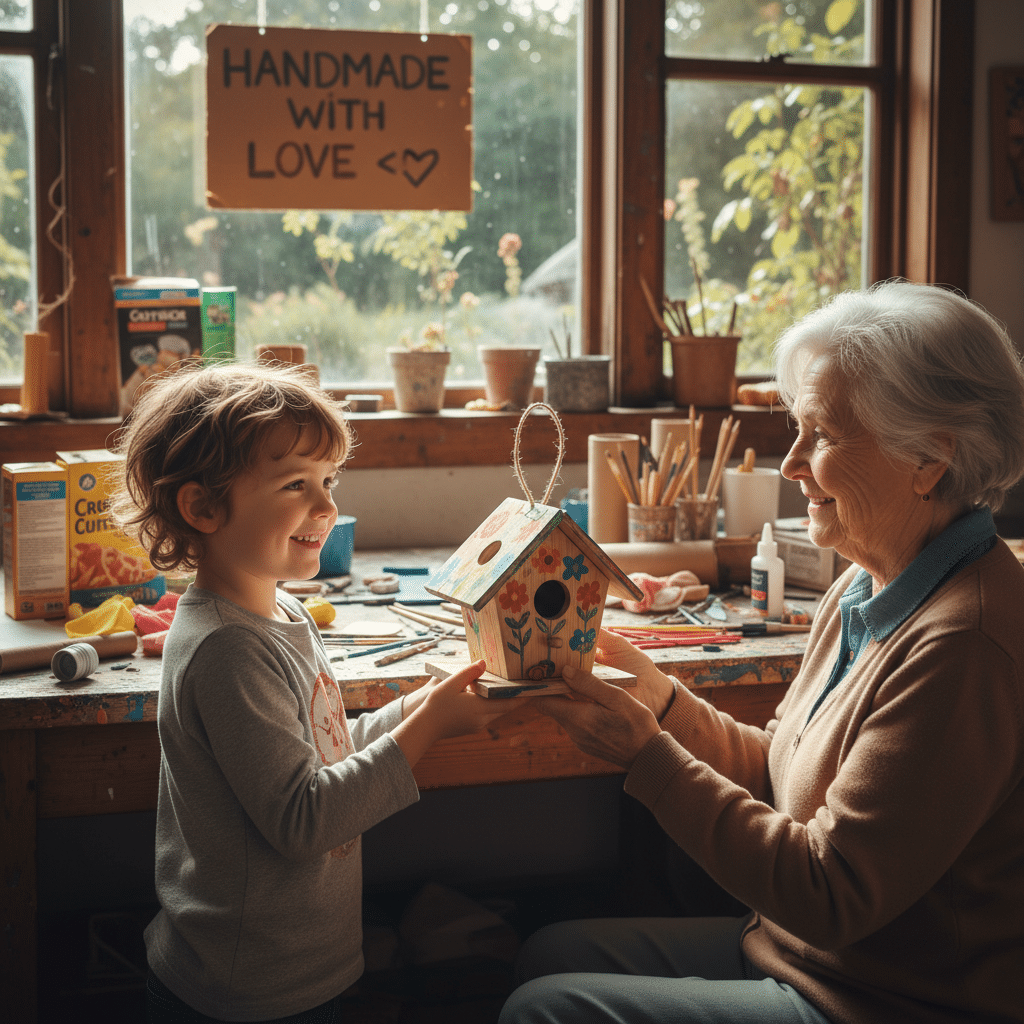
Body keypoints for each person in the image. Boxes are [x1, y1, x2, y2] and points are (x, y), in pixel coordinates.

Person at [499, 280, 1024, 1024]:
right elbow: (782, 772)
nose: (791, 463)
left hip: (880, 1000)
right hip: (796, 955)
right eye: (798, 430)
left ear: (929, 458)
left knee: (544, 1009)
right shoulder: (863, 588)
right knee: (548, 952)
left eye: (825, 435)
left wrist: (649, 755)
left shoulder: (966, 643)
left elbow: (829, 896)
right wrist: (665, 703)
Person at [111, 362, 527, 1023]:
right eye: (295, 484)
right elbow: (305, 820)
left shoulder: (283, 612)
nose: (327, 505)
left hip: (296, 971)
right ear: (203, 507)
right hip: (245, 992)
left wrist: (421, 706)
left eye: (328, 480)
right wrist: (427, 730)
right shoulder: (227, 648)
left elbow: (323, 752)